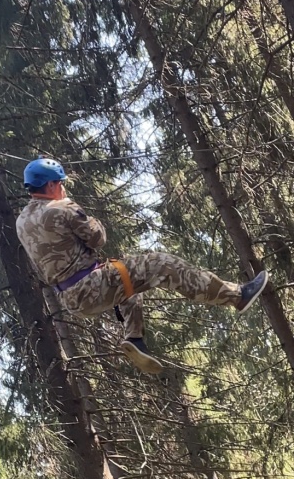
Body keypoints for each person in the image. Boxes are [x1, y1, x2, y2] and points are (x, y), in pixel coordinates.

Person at [16, 158, 268, 373]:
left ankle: (134, 338)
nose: (62, 188)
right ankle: (237, 296)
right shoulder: (61, 207)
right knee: (161, 264)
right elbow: (98, 238)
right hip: (89, 285)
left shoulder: (21, 221)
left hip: (70, 299)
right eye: (60, 183)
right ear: (51, 185)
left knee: (127, 283)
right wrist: (79, 210)